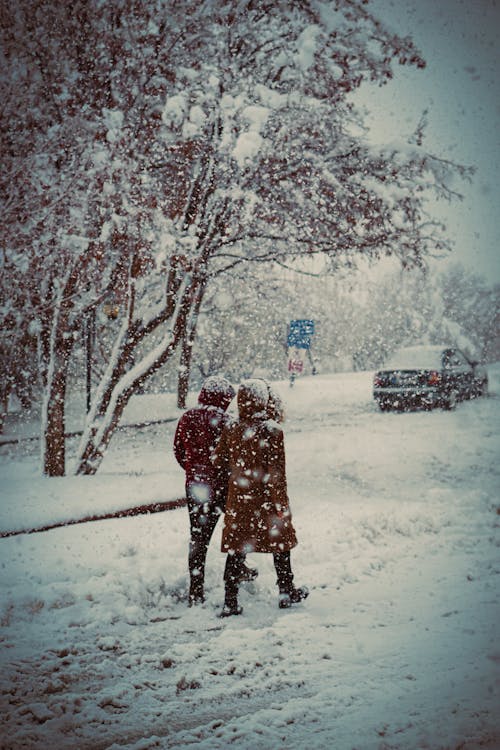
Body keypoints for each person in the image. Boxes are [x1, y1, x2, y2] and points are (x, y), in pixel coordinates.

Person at [213, 379, 308, 617]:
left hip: (240, 500)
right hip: (266, 499)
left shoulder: (231, 428)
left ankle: (230, 600)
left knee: (237, 548)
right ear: (263, 400)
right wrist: (281, 504)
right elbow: (277, 472)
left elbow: (219, 462)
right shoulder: (272, 430)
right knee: (280, 544)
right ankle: (286, 592)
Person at [174, 375, 257, 606]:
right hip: (223, 488)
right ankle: (235, 577)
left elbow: (179, 451)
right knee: (236, 533)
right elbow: (234, 457)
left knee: (198, 538)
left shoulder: (187, 418)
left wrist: (194, 471)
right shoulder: (227, 421)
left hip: (196, 487)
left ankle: (195, 590)